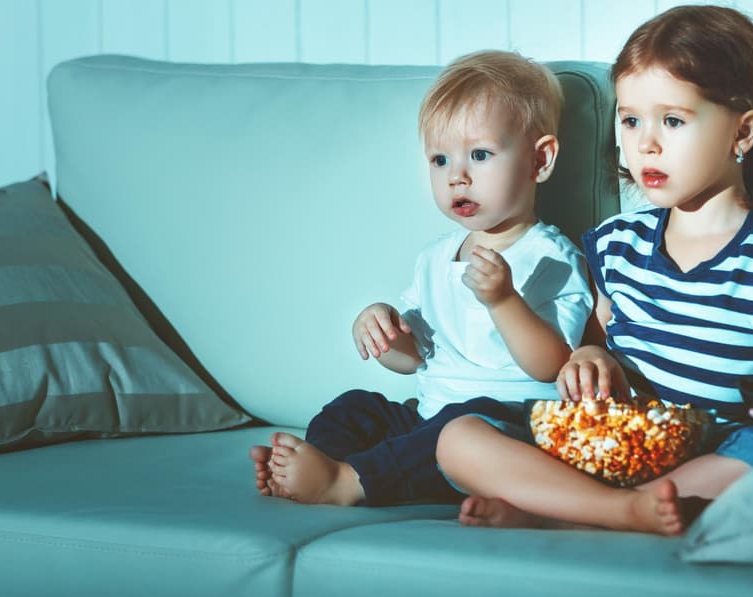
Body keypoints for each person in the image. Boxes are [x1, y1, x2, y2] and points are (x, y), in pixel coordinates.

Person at [435, 5, 753, 535]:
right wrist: (588, 361)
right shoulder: (616, 245)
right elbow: (589, 347)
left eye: (672, 121)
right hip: (615, 443)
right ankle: (614, 511)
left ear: (741, 133)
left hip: (721, 444)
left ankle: (565, 511)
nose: (645, 142)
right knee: (458, 436)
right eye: (630, 120)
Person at [249, 50, 594, 507]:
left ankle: (346, 483)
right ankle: (317, 465)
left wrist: (504, 300)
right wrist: (384, 333)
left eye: (479, 154)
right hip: (431, 417)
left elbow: (551, 363)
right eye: (440, 160)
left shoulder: (550, 255)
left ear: (540, 160)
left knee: (463, 425)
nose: (457, 176)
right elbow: (415, 359)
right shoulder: (435, 258)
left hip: (510, 426)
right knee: (355, 408)